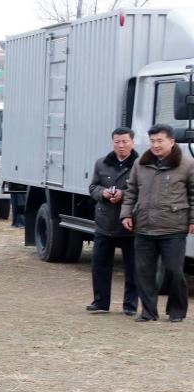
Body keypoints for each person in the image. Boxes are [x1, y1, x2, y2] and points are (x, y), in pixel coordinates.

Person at [120, 124, 194, 323]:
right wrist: (126, 214)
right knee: (144, 272)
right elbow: (131, 191)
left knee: (174, 270)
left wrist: (192, 220)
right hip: (144, 227)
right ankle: (148, 312)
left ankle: (177, 310)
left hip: (173, 227)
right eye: (152, 141)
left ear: (172, 141)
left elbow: (193, 194)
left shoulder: (187, 164)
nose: (156, 145)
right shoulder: (140, 164)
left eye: (160, 141)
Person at [86, 128, 139, 314]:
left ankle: (130, 305)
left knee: (133, 268)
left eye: (125, 142)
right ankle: (100, 302)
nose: (121, 146)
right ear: (112, 143)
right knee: (99, 265)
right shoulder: (102, 163)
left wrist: (123, 195)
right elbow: (92, 187)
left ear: (132, 142)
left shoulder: (140, 165)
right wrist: (103, 193)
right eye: (117, 142)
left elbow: (144, 192)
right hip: (104, 222)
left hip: (129, 223)